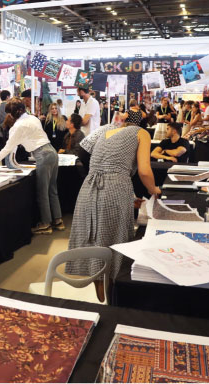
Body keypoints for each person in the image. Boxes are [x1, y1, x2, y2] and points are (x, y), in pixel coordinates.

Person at [66, 118, 162, 302]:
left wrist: (130, 198)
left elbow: (104, 164)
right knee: (116, 238)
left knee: (94, 236)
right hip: (114, 187)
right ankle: (113, 285)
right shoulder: (142, 133)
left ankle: (98, 277)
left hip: (88, 188)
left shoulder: (107, 131)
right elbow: (144, 171)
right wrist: (154, 190)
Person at [0, 98, 63, 235]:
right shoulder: (33, 118)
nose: (9, 116)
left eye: (10, 113)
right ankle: (58, 220)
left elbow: (7, 149)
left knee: (42, 192)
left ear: (14, 113)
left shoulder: (18, 127)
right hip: (52, 152)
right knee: (52, 189)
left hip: (42, 155)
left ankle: (46, 224)